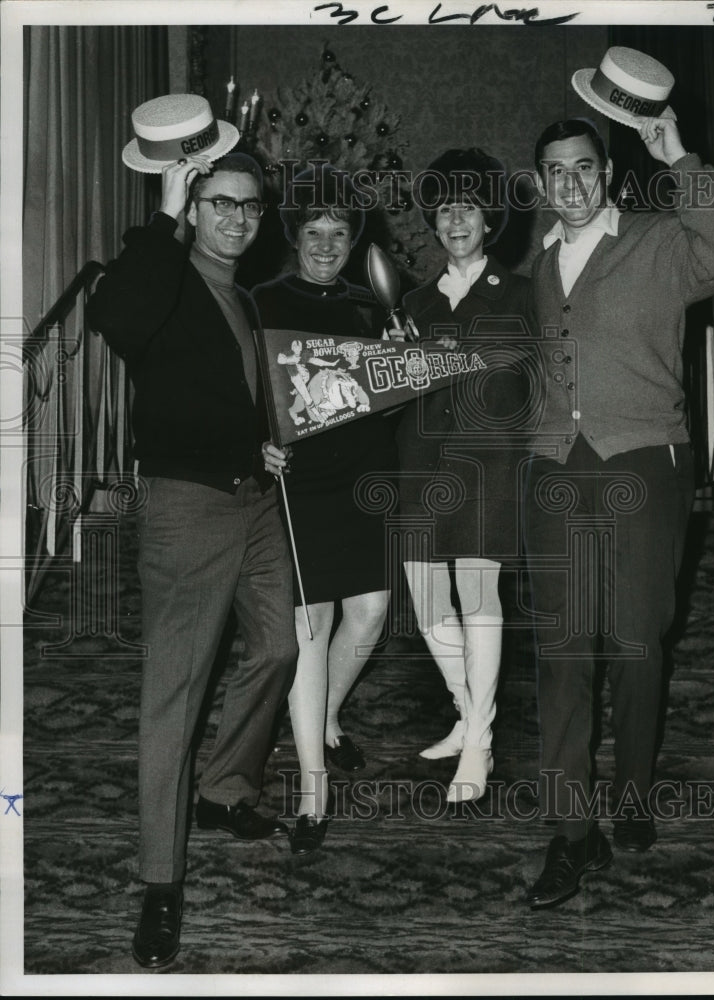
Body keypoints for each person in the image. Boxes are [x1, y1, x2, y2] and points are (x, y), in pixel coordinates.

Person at [524, 110, 714, 908]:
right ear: (541, 184)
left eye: (582, 167)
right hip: (555, 470)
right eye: (554, 171)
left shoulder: (659, 240)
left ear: (607, 173)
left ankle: (630, 791)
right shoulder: (538, 261)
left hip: (645, 462)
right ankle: (570, 829)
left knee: (634, 641)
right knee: (560, 648)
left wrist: (677, 154)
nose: (569, 183)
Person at [88, 140, 298, 966]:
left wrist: (262, 445)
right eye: (222, 204)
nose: (240, 220)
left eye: (250, 206)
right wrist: (165, 217)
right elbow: (114, 320)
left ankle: (222, 788)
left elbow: (227, 395)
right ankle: (160, 884)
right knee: (173, 693)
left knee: (278, 646)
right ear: (194, 207)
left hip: (252, 502)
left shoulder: (241, 298)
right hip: (186, 509)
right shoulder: (165, 278)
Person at [255, 165, 399, 855]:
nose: (324, 243)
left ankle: (327, 715)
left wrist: (404, 363)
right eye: (312, 231)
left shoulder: (372, 307)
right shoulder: (260, 301)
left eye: (337, 232)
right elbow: (243, 390)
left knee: (369, 613)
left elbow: (395, 394)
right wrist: (255, 444)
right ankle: (314, 783)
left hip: (364, 475)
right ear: (293, 236)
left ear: (352, 240)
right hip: (300, 479)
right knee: (309, 627)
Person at [395, 147, 535, 804]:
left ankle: (476, 744)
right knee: (427, 608)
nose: (454, 219)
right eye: (444, 206)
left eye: (467, 206)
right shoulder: (413, 301)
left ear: (489, 219)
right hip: (421, 470)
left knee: (478, 607)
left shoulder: (523, 294)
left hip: (489, 470)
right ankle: (469, 712)